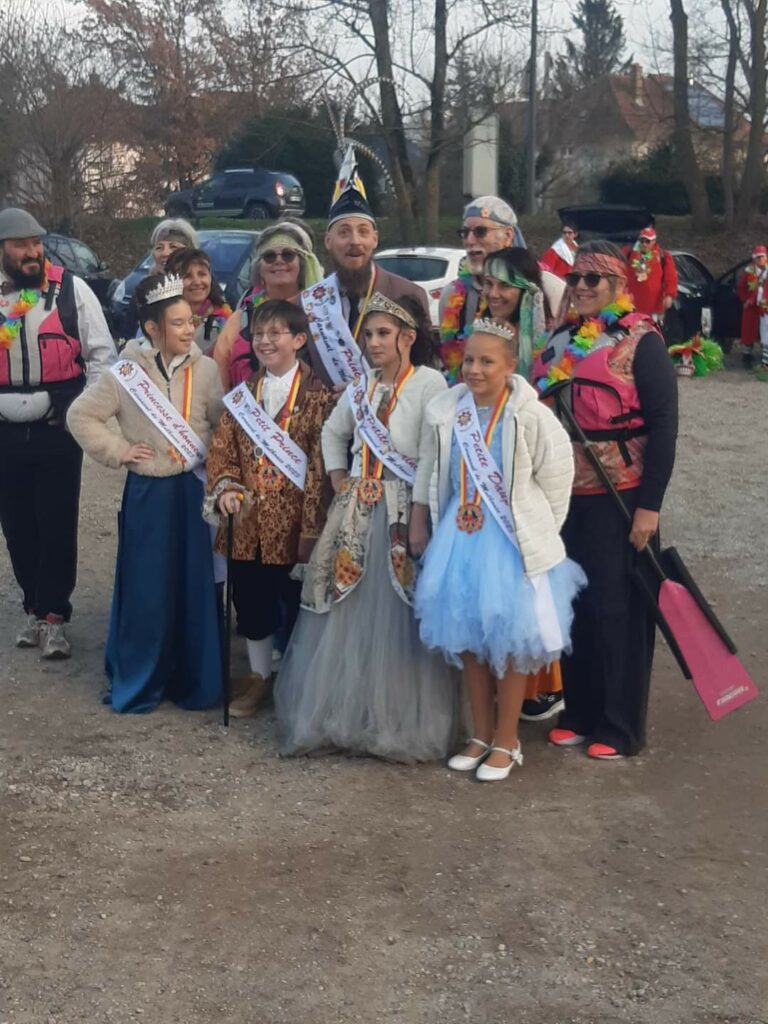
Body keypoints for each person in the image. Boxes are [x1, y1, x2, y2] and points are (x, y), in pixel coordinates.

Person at [275, 293, 457, 763]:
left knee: (397, 615)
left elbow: (435, 453)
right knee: (347, 609)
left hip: (401, 507)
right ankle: (344, 716)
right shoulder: (360, 387)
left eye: (383, 334)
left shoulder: (430, 383)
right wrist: (339, 476)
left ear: (408, 338)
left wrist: (420, 513)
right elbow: (333, 433)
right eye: (368, 335)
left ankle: (397, 719)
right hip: (358, 508)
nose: (373, 343)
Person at [414, 320, 584, 781]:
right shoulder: (447, 411)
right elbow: (432, 471)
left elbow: (556, 477)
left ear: (510, 366)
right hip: (459, 537)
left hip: (509, 543)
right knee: (467, 639)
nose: (474, 369)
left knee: (509, 643)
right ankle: (480, 733)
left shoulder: (530, 415)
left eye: (487, 361)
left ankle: (508, 740)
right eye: (469, 359)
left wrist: (538, 530)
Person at [534, 241, 678, 759]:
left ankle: (619, 726)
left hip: (622, 494)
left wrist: (650, 506)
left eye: (595, 280)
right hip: (562, 494)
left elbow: (664, 426)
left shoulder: (644, 341)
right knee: (575, 604)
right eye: (576, 279)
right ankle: (580, 711)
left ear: (619, 286)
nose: (582, 288)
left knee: (617, 609)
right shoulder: (559, 339)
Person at [67, 273, 224, 714]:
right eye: (177, 323)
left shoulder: (207, 369)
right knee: (147, 588)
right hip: (149, 495)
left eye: (190, 321)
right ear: (152, 328)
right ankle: (142, 678)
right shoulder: (125, 374)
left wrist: (214, 458)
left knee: (194, 586)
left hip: (192, 493)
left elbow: (222, 424)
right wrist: (118, 450)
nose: (189, 329)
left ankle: (194, 679)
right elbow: (81, 417)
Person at [204, 299, 333, 717]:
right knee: (252, 603)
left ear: (298, 340)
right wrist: (225, 487)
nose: (264, 341)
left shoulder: (320, 399)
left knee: (297, 605)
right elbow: (222, 453)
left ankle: (299, 683)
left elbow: (320, 466)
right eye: (258, 334)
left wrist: (312, 529)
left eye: (275, 333)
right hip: (247, 524)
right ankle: (259, 678)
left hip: (296, 526)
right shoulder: (241, 398)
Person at [0, 207, 115, 659]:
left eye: (36, 244)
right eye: (20, 245)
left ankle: (54, 616)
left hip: (56, 427)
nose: (32, 252)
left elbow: (103, 355)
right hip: (4, 431)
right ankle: (31, 605)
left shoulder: (72, 290)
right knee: (17, 524)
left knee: (56, 521)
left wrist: (83, 411)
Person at [480, 247, 568, 723]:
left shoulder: (551, 343)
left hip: (524, 475)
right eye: (488, 284)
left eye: (505, 285)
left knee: (527, 585)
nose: (494, 294)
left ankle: (540, 684)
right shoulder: (471, 334)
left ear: (526, 291)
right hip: (479, 470)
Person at [301, 146, 430, 390]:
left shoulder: (409, 295)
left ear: (375, 239)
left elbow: (424, 374)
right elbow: (300, 374)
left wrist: (368, 393)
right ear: (328, 240)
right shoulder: (308, 304)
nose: (355, 242)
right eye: (344, 232)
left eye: (363, 232)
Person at [212, 221, 324, 389]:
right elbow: (220, 371)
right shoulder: (243, 317)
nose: (279, 261)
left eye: (287, 255)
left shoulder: (321, 312)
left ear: (302, 264)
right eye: (269, 256)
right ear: (259, 269)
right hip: (249, 411)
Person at [437, 196, 523, 381]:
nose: (469, 240)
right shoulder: (451, 294)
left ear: (508, 235)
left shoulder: (541, 287)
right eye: (465, 232)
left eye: (480, 232)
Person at [165, 247, 232, 354]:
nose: (197, 282)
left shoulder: (224, 320)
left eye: (202, 274)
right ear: (171, 281)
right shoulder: (159, 316)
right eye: (187, 276)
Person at [624, 226, 678, 321]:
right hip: (631, 305)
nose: (644, 244)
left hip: (653, 307)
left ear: (654, 242)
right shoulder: (629, 253)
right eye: (642, 241)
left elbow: (671, 277)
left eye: (647, 241)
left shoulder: (663, 256)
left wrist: (669, 295)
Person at [736, 245, 767, 369]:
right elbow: (741, 288)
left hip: (765, 306)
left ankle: (765, 357)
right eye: (757, 257)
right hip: (752, 306)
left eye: (762, 257)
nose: (760, 260)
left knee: (766, 332)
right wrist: (746, 300)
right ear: (754, 259)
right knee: (749, 330)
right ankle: (747, 356)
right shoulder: (749, 272)